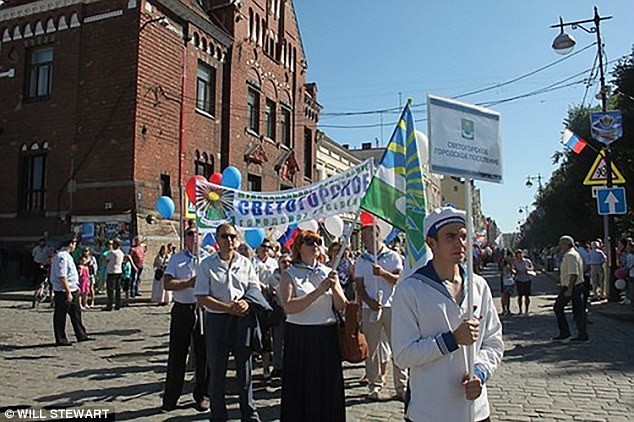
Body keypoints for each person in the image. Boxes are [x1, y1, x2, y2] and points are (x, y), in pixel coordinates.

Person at [391, 206, 503, 422]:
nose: (460, 243)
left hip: (475, 411)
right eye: (450, 236)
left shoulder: (478, 285)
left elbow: (493, 342)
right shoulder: (410, 289)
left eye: (463, 236)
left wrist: (480, 373)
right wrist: (451, 339)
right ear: (431, 243)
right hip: (430, 412)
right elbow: (403, 355)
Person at [278, 230, 347, 421]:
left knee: (326, 387)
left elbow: (341, 306)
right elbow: (289, 306)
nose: (315, 245)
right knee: (302, 386)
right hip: (300, 336)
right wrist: (319, 291)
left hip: (325, 335)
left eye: (318, 241)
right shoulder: (290, 274)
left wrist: (333, 288)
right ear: (299, 247)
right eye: (309, 241)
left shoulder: (327, 272)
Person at [195, 223, 261, 422]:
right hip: (217, 320)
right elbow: (201, 297)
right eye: (225, 236)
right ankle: (218, 415)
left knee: (245, 371)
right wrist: (226, 307)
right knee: (217, 371)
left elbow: (254, 289)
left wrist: (245, 304)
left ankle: (249, 414)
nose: (229, 240)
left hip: (241, 319)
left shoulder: (245, 263)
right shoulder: (207, 265)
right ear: (217, 240)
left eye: (233, 236)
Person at [354, 224, 407, 401]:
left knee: (398, 345)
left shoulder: (393, 256)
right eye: (363, 238)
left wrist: (383, 273)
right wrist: (368, 302)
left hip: (392, 306)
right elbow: (359, 286)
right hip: (370, 308)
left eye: (367, 237)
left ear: (377, 236)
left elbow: (398, 280)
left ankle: (401, 385)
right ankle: (375, 384)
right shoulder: (362, 260)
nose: (364, 241)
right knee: (373, 349)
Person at [161, 227, 209, 413]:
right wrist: (188, 283)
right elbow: (167, 283)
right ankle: (171, 398)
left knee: (203, 355)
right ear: (185, 237)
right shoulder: (177, 258)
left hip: (203, 309)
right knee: (177, 354)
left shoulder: (208, 258)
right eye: (189, 233)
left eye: (197, 233)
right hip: (183, 309)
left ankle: (202, 395)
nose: (194, 237)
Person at [50, 235, 91, 346]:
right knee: (61, 315)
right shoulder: (61, 257)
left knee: (76, 314)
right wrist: (68, 292)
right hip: (63, 291)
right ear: (70, 244)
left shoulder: (67, 256)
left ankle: (81, 334)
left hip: (73, 289)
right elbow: (62, 276)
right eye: (74, 243)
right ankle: (61, 338)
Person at [553, 235, 589, 342]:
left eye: (561, 243)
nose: (560, 245)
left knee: (559, 308)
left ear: (566, 244)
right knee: (577, 311)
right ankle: (581, 334)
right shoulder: (573, 254)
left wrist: (569, 288)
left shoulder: (570, 255)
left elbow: (573, 273)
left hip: (572, 287)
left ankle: (566, 333)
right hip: (572, 285)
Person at [104, 238, 125, 311]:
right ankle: (117, 304)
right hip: (119, 271)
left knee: (110, 290)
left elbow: (106, 259)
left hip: (111, 272)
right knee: (118, 289)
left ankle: (109, 305)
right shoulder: (121, 253)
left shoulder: (112, 253)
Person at [513, 250, 534, 314]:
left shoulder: (527, 261)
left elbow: (532, 268)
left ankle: (526, 310)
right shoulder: (515, 262)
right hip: (519, 280)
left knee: (527, 296)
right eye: (518, 254)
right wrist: (515, 272)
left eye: (521, 254)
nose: (520, 256)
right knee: (520, 296)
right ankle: (520, 310)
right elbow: (513, 269)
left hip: (527, 279)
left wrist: (528, 269)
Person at [500, 250, 515, 316]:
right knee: (504, 295)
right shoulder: (504, 262)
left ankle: (508, 309)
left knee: (508, 296)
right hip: (505, 280)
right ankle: (503, 309)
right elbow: (504, 270)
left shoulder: (511, 263)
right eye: (511, 256)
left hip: (510, 280)